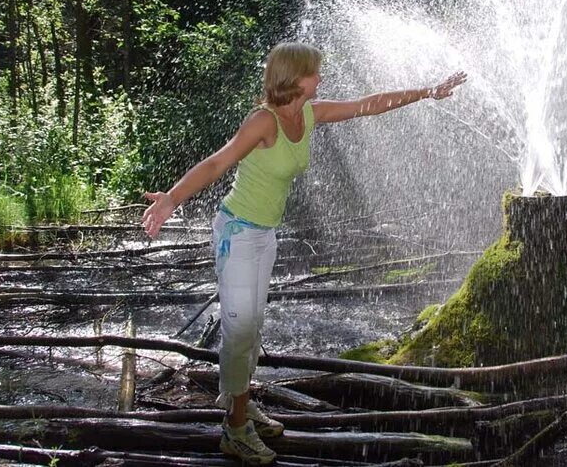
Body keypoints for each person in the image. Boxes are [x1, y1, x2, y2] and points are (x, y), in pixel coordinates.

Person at [142, 42, 467, 465]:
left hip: (264, 236)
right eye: (315, 71)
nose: (321, 76)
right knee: (240, 332)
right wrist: (172, 198)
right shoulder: (264, 121)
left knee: (251, 328)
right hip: (237, 234)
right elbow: (217, 163)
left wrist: (427, 92)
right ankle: (234, 430)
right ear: (294, 78)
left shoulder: (309, 113)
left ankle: (238, 402)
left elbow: (368, 106)